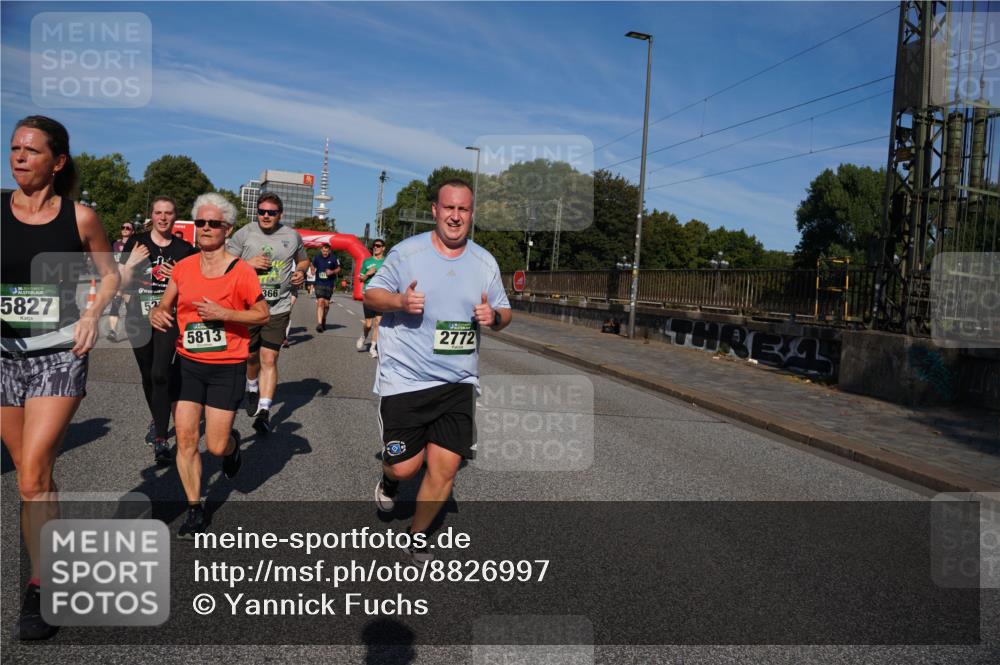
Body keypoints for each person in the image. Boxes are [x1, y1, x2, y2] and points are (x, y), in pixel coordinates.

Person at [1, 115, 120, 639]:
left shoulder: (81, 218)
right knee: (37, 478)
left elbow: (110, 273)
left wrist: (93, 314)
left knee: (30, 473)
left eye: (30, 150)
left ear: (58, 161)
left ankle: (42, 585)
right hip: (4, 355)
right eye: (13, 149)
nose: (19, 157)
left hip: (59, 351)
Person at [365, 179, 511, 561]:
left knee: (445, 468)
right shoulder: (406, 253)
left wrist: (493, 316)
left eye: (463, 209)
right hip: (405, 379)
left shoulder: (483, 262)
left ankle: (418, 534)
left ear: (471, 214)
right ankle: (388, 479)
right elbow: (370, 294)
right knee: (405, 467)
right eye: (449, 208)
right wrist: (399, 300)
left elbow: (506, 310)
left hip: (458, 381)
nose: (456, 216)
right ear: (435, 210)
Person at [149, 193, 268, 538]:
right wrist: (159, 312)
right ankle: (194, 508)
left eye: (213, 223)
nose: (205, 228)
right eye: (200, 222)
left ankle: (231, 447)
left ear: (227, 229)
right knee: (186, 438)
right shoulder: (184, 267)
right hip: (187, 363)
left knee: (214, 445)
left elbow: (261, 314)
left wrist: (226, 314)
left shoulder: (241, 270)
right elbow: (165, 304)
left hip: (226, 365)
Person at [119, 196, 198, 463]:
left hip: (168, 318)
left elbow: (195, 288)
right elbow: (118, 282)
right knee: (147, 375)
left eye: (168, 213)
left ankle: (161, 438)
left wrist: (179, 275)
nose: (163, 217)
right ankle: (158, 416)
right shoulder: (135, 243)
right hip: (137, 318)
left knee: (160, 372)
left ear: (175, 217)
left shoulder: (185, 249)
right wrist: (130, 264)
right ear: (151, 215)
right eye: (158, 212)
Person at [227, 193, 307, 434]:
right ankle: (252, 388)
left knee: (269, 358)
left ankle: (264, 411)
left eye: (271, 212)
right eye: (262, 211)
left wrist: (301, 272)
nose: (265, 216)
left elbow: (303, 261)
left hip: (278, 307)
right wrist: (247, 264)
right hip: (248, 307)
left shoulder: (292, 236)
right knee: (251, 358)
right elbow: (225, 262)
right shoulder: (245, 233)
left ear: (279, 215)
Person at [357, 238, 387, 358]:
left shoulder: (387, 262)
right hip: (368, 294)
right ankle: (364, 336)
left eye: (378, 246)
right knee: (368, 324)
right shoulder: (367, 262)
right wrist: (368, 274)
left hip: (381, 294)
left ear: (383, 248)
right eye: (374, 245)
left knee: (378, 322)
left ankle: (373, 347)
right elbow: (360, 278)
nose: (375, 247)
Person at [106, 221, 135, 342]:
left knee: (132, 309)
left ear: (132, 231)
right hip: (117, 281)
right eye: (123, 227)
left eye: (128, 228)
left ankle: (135, 329)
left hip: (130, 281)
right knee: (115, 306)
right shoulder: (114, 244)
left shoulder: (136, 245)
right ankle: (112, 331)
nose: (125, 229)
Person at [311, 242, 340, 333]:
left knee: (326, 305)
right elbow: (312, 264)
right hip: (319, 282)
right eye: (323, 251)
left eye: (326, 251)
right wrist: (312, 270)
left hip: (329, 283)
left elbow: (339, 268)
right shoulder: (317, 257)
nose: (325, 253)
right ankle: (319, 324)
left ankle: (324, 319)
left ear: (329, 251)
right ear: (321, 250)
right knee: (320, 302)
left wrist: (332, 272)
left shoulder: (334, 258)